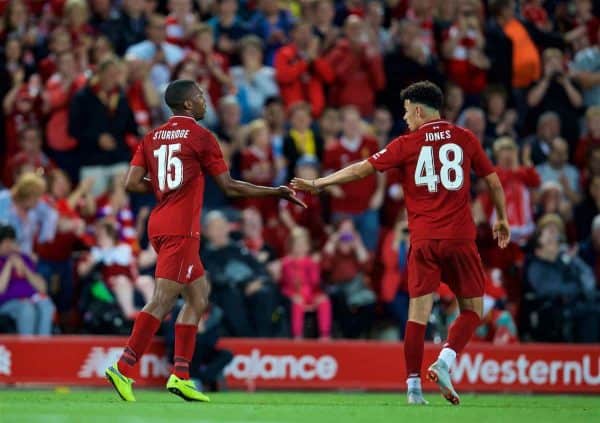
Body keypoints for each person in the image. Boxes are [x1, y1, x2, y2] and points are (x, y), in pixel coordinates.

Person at [292, 81, 510, 405]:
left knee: (416, 315)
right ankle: (446, 360)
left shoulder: (407, 143)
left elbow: (360, 170)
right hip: (459, 238)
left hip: (423, 241)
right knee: (473, 310)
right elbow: (492, 180)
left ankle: (413, 388)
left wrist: (318, 183)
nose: (406, 119)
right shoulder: (465, 138)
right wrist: (502, 218)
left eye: (407, 112)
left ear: (419, 110)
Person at [105, 79, 305, 402]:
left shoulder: (152, 137)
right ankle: (124, 367)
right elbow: (228, 187)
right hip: (182, 227)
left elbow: (130, 182)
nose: (204, 101)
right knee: (163, 299)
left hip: (160, 223)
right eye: (199, 96)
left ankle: (181, 375)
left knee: (198, 298)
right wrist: (275, 192)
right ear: (187, 104)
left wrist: (163, 190)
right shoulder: (201, 136)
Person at [0, 224, 56, 335]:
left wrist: (25, 269)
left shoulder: (24, 258)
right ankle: (27, 348)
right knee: (26, 308)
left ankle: (43, 346)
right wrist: (9, 264)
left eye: (11, 241)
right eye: (4, 242)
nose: (8, 245)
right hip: (7, 303)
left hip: (32, 298)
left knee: (47, 305)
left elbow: (43, 288)